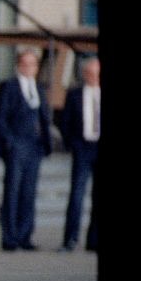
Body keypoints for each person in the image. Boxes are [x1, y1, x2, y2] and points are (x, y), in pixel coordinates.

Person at [0, 48, 53, 252]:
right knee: (13, 191)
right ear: (18, 65)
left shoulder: (39, 88)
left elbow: (44, 117)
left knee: (29, 192)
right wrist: (9, 141)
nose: (29, 68)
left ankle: (25, 235)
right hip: (16, 145)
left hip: (34, 146)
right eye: (25, 64)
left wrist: (46, 141)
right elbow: (0, 117)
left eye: (32, 64)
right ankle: (10, 237)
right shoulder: (9, 87)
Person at [58, 56, 99, 253]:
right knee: (77, 194)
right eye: (90, 74)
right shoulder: (74, 94)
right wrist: (72, 144)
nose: (93, 77)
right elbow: (65, 122)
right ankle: (70, 239)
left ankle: (94, 240)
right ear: (84, 74)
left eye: (96, 74)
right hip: (82, 148)